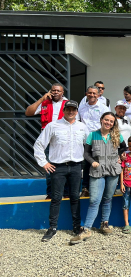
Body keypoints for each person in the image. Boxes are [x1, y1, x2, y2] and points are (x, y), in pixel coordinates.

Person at [33, 100, 88, 242]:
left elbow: (89, 146)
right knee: (56, 198)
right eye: (68, 109)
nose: (71, 112)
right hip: (58, 167)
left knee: (75, 197)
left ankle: (76, 227)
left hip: (76, 166)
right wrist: (44, 163)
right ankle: (52, 228)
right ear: (63, 110)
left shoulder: (82, 127)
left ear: (77, 112)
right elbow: (39, 144)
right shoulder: (53, 126)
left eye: (73, 110)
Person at [70, 112, 127, 244]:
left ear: (114, 123)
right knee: (95, 200)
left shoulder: (117, 135)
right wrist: (92, 162)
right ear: (101, 120)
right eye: (106, 120)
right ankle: (86, 229)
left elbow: (124, 147)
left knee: (107, 199)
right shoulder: (92, 135)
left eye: (111, 121)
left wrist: (120, 156)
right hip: (97, 170)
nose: (108, 123)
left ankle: (104, 224)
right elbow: (86, 152)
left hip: (113, 170)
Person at [25, 83, 69, 199]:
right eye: (53, 90)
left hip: (63, 139)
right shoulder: (44, 103)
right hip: (48, 140)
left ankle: (65, 192)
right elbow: (28, 112)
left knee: (65, 166)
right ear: (50, 91)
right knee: (49, 167)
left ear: (62, 92)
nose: (55, 92)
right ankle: (50, 193)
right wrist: (41, 99)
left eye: (58, 91)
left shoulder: (68, 104)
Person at [78, 85, 110, 197]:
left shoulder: (104, 108)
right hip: (86, 141)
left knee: (102, 163)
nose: (92, 95)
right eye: (90, 93)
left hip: (100, 140)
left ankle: (104, 188)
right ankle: (85, 188)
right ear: (86, 93)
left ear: (98, 95)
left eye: (94, 93)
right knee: (87, 164)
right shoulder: (81, 108)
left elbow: (109, 124)